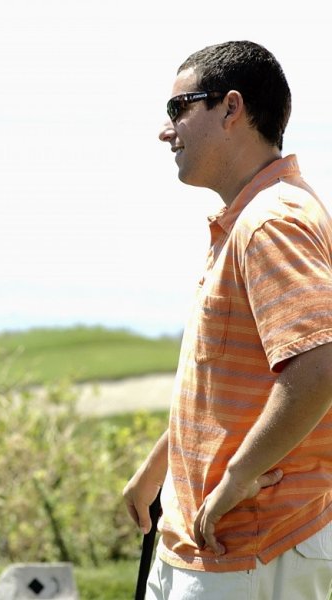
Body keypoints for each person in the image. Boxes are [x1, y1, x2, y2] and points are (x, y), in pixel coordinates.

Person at [123, 41, 332, 599]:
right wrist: (160, 468)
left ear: (231, 108)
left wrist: (237, 478)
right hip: (219, 547)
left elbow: (318, 367)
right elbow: (226, 384)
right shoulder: (250, 218)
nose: (166, 131)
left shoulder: (271, 221)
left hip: (253, 545)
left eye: (178, 109)